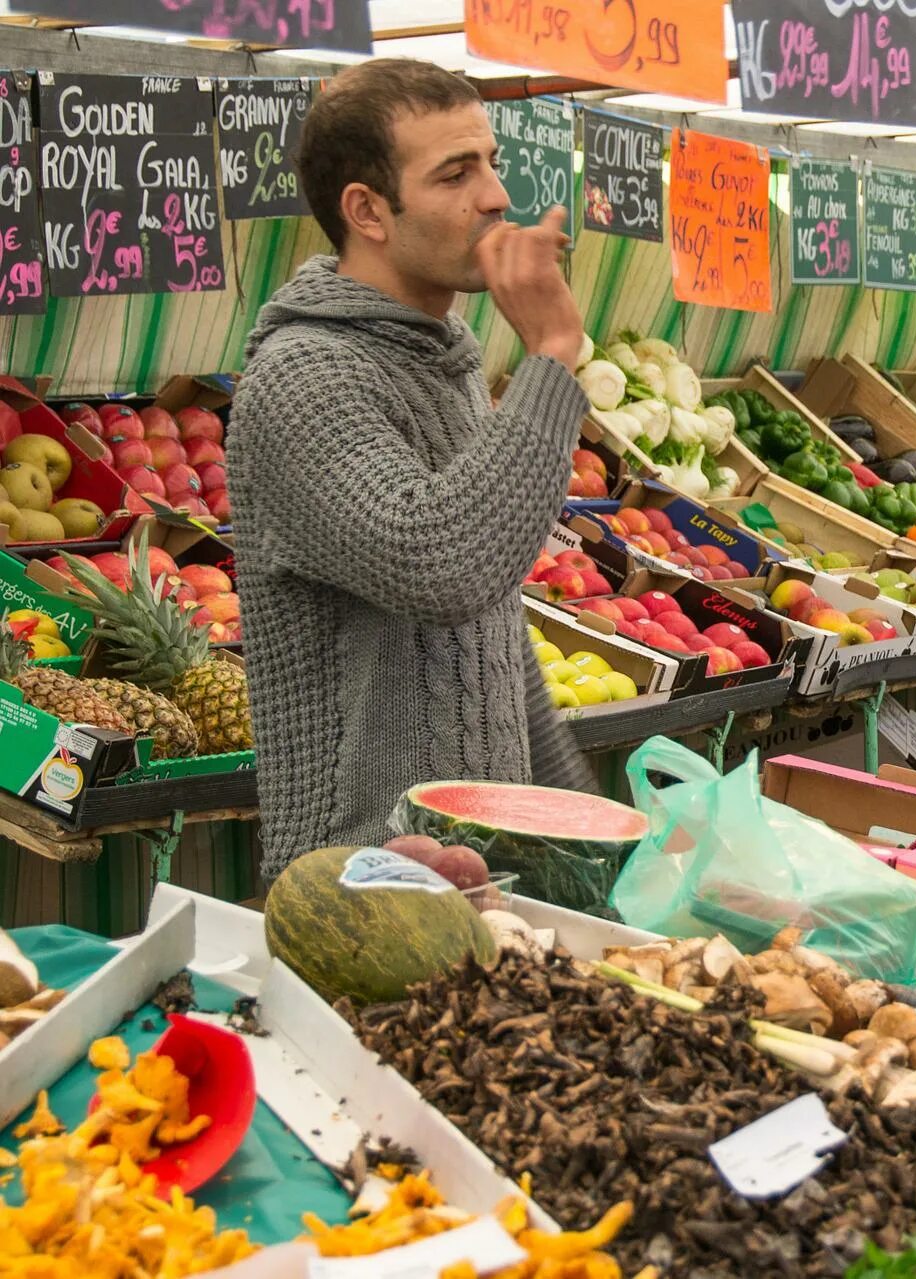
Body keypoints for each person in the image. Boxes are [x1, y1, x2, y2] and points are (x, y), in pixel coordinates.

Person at [228, 60, 594, 879]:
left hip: (480, 866)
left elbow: (487, 626)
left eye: (491, 163)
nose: (497, 195)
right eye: (456, 174)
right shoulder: (304, 376)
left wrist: (574, 826)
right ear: (368, 211)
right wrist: (553, 356)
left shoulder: (449, 361)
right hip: (360, 877)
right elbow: (443, 563)